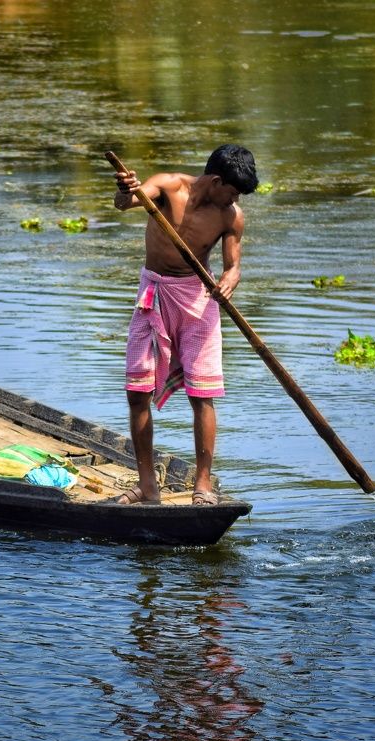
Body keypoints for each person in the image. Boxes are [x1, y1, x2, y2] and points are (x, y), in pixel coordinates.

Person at [111, 144, 259, 506]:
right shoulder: (167, 185)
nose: (235, 199)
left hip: (198, 300)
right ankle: (148, 486)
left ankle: (203, 486)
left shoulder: (231, 216)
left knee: (203, 395)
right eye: (233, 191)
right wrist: (126, 190)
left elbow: (233, 265)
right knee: (137, 391)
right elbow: (126, 204)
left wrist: (230, 280)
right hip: (155, 295)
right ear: (215, 180)